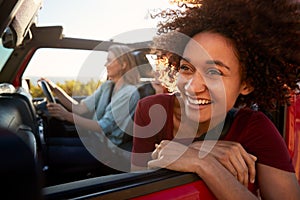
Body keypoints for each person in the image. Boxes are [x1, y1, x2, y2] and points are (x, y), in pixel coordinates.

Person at [131, 0, 300, 199]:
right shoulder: (151, 109)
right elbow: (136, 187)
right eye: (186, 68)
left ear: (246, 84)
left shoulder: (254, 127)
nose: (192, 87)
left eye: (214, 72)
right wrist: (195, 150)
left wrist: (203, 163)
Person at [41, 44, 141, 172]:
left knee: (48, 154)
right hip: (93, 140)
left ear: (123, 65)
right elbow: (80, 108)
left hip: (106, 151)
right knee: (47, 144)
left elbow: (102, 127)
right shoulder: (107, 86)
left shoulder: (129, 93)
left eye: (109, 60)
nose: (105, 65)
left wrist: (66, 115)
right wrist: (55, 90)